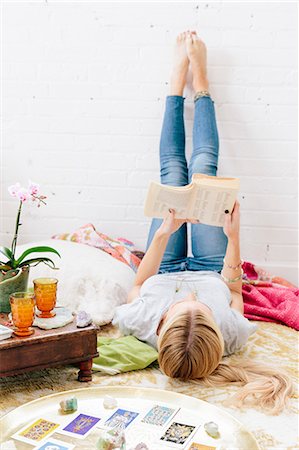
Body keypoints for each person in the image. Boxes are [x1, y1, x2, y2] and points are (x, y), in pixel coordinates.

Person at [113, 31, 293, 414]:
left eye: (181, 306)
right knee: (205, 172)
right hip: (213, 266)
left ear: (161, 326)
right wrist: (233, 237)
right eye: (202, 307)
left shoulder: (140, 321)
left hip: (162, 263)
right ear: (214, 326)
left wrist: (163, 235)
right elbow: (234, 290)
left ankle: (176, 85)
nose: (190, 297)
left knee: (173, 173)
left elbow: (140, 283)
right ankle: (203, 85)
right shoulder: (230, 332)